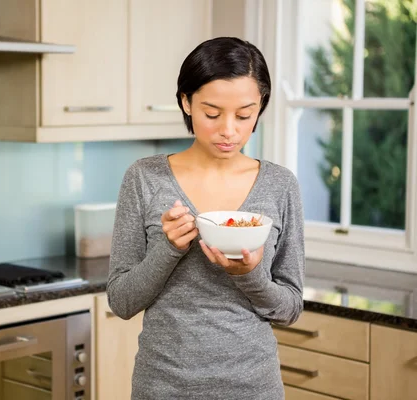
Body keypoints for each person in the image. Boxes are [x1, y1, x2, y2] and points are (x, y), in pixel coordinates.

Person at [107, 37, 305, 399]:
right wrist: (167, 250)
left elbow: (290, 307)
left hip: (253, 387)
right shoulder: (145, 178)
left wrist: (249, 276)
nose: (229, 130)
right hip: (163, 386)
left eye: (245, 114)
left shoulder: (280, 185)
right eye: (212, 113)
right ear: (186, 102)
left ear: (260, 106)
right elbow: (121, 302)